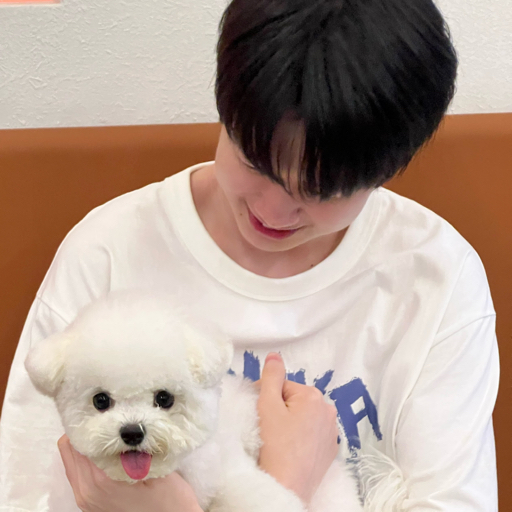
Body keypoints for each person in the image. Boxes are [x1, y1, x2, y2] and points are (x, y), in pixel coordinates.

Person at [0, 0, 499, 510]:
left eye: (321, 189)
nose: (272, 210)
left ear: (386, 172)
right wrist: (285, 483)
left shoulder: (435, 277)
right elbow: (23, 492)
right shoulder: (107, 252)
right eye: (255, 162)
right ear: (225, 110)